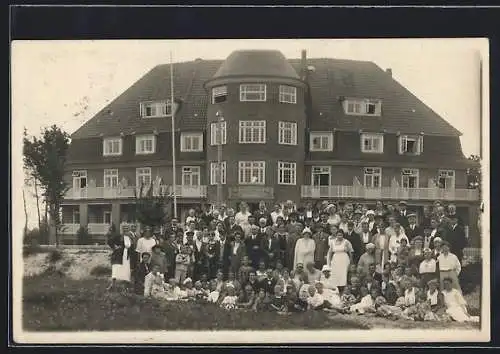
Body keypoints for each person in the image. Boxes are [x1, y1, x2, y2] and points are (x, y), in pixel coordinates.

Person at [107, 224, 133, 291]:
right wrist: (115, 247)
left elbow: (132, 247)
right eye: (124, 228)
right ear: (122, 229)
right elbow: (110, 241)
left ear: (129, 229)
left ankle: (125, 287)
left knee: (126, 270)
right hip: (119, 255)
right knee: (116, 269)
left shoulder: (131, 237)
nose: (125, 229)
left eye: (127, 228)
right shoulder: (119, 236)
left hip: (127, 255)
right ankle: (112, 284)